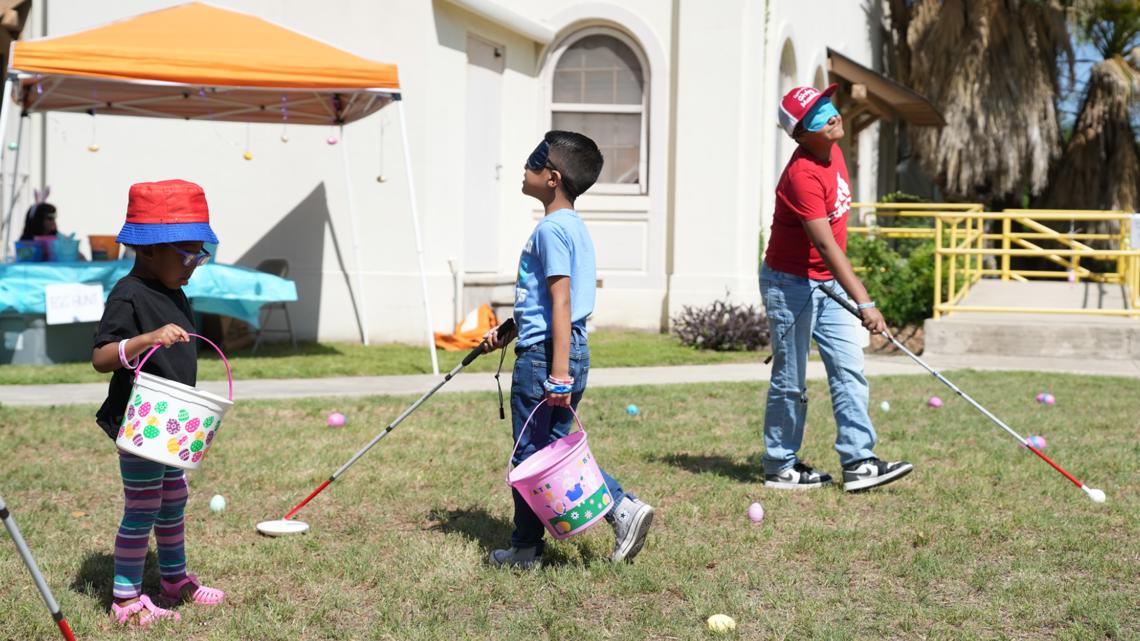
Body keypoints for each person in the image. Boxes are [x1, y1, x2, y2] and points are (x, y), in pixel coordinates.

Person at [482, 131, 654, 568]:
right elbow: (548, 302)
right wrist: (512, 329)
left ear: (552, 177)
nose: (524, 170)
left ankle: (609, 513)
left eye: (532, 163)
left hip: (547, 355)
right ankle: (539, 541)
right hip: (561, 346)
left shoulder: (550, 230)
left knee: (530, 455)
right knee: (552, 446)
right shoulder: (573, 227)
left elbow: (561, 300)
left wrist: (556, 372)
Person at [760, 85, 913, 492]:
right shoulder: (801, 176)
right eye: (817, 114)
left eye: (829, 106)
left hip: (827, 283)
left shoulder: (835, 152)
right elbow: (826, 246)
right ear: (800, 133)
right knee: (791, 380)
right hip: (789, 283)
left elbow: (832, 250)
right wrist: (866, 302)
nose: (832, 115)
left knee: (849, 369)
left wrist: (852, 295)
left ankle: (860, 461)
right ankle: (780, 465)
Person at [91, 179, 224, 627]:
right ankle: (125, 599)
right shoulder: (128, 295)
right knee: (142, 508)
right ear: (148, 250)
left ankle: (173, 579)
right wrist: (146, 338)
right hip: (140, 422)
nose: (196, 264)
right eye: (188, 255)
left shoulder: (175, 291)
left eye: (200, 254)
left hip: (173, 420)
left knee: (173, 503)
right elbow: (101, 357)